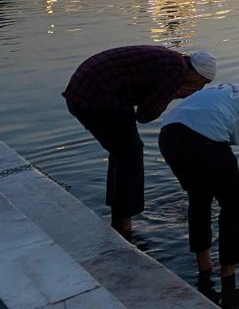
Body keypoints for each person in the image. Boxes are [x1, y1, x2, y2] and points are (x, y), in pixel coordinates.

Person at [63, 45, 216, 239]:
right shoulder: (176, 72)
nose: (198, 89)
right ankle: (123, 224)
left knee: (122, 152)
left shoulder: (173, 61)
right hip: (95, 97)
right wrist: (174, 93)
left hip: (87, 92)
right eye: (201, 83)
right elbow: (144, 116)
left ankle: (118, 216)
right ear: (196, 72)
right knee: (130, 153)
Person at [159, 84, 239, 308]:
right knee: (234, 201)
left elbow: (233, 164)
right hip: (203, 140)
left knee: (199, 198)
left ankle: (204, 265)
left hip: (169, 135)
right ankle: (228, 273)